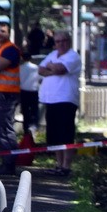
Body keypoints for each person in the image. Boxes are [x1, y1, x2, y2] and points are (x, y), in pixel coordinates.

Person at [37, 31, 81, 176]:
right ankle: (58, 164)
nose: (60, 44)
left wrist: (51, 67)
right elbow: (41, 70)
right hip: (51, 99)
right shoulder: (52, 55)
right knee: (55, 134)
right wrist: (52, 68)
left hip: (66, 99)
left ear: (69, 41)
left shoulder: (73, 56)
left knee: (66, 133)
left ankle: (66, 166)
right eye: (57, 41)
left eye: (63, 41)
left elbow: (60, 69)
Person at [0, 22, 21, 175]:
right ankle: (6, 162)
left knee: (4, 128)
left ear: (9, 33)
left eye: (3, 31)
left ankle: (9, 164)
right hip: (0, 93)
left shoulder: (10, 50)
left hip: (7, 94)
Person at [19, 52, 40, 134]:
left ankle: (26, 130)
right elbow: (40, 79)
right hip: (34, 91)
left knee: (25, 111)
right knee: (34, 110)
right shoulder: (36, 68)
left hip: (23, 91)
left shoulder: (20, 68)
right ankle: (33, 127)